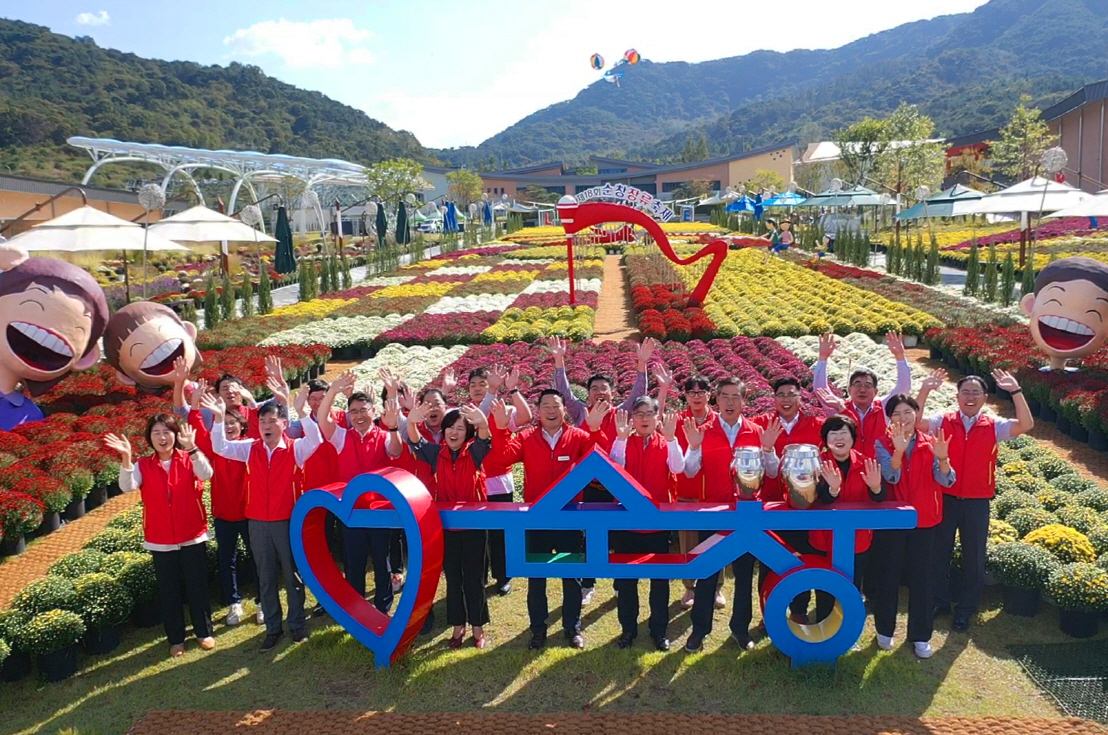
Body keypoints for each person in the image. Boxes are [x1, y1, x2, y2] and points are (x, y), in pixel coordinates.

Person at [204, 394, 324, 652]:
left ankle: (296, 624)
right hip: (257, 522)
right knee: (265, 577)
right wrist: (218, 419)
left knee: (292, 575)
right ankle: (273, 628)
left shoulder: (295, 448)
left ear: (284, 423)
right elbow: (220, 447)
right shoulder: (250, 448)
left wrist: (303, 412)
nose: (266, 426)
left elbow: (316, 439)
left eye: (272, 421)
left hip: (287, 521)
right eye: (262, 422)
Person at [488, 390, 606, 650]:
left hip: (569, 519)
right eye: (546, 406)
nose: (551, 411)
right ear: (538, 411)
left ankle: (572, 628)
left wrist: (595, 430)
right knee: (536, 578)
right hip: (537, 520)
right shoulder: (526, 437)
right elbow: (501, 459)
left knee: (572, 577)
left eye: (556, 406)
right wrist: (500, 429)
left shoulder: (578, 436)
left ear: (564, 409)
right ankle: (538, 630)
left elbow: (600, 463)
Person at [918, 369, 1034, 632]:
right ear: (957, 396)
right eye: (965, 392)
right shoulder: (943, 420)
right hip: (945, 497)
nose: (970, 397)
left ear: (985, 398)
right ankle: (939, 602)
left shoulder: (993, 425)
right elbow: (915, 422)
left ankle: (965, 611)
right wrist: (924, 390)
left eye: (976, 392)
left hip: (977, 502)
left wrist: (1016, 391)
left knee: (974, 558)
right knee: (939, 554)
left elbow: (1025, 425)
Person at [549, 335, 655, 605]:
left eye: (604, 388)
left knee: (619, 534)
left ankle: (620, 583)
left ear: (612, 393)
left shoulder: (621, 412)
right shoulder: (580, 412)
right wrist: (559, 361)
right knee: (588, 537)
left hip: (617, 487)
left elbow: (637, 393)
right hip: (587, 487)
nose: (599, 392)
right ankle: (588, 584)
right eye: (594, 388)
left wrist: (642, 364)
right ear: (588, 393)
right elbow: (564, 392)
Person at [682, 377, 781, 653]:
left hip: (747, 517)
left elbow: (773, 472)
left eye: (735, 396)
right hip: (714, 514)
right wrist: (694, 446)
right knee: (707, 574)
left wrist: (769, 449)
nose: (729, 401)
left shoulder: (757, 431)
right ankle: (699, 630)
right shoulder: (703, 431)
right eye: (724, 396)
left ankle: (740, 629)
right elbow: (689, 471)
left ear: (744, 400)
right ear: (716, 399)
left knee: (744, 575)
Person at [104, 414, 215, 657]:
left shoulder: (188, 457)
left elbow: (206, 474)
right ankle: (176, 639)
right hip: (160, 539)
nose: (162, 438)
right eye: (156, 433)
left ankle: (204, 632)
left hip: (192, 533)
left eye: (166, 432)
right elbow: (128, 486)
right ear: (149, 438)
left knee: (197, 587)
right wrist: (126, 458)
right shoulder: (144, 465)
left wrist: (193, 449)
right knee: (169, 592)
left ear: (175, 435)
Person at [172, 364, 260, 627]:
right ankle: (233, 602)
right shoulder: (214, 448)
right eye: (226, 423)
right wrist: (195, 404)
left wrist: (251, 402)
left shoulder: (249, 447)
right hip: (223, 514)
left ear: (242, 427)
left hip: (250, 511)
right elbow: (197, 427)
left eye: (235, 423)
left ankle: (261, 602)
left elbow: (260, 425)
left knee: (257, 557)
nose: (230, 427)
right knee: (226, 560)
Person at [873, 394, 954, 659]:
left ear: (916, 415)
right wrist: (898, 450)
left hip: (925, 519)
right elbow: (890, 476)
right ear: (889, 418)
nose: (903, 418)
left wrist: (943, 458)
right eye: (897, 413)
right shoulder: (882, 443)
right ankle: (884, 630)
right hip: (893, 520)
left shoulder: (931, 443)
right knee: (888, 576)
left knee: (923, 579)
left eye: (908, 412)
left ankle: (920, 635)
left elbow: (947, 480)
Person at [315, 373, 404, 612]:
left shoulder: (384, 436)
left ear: (373, 412)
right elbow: (322, 418)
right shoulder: (342, 437)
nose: (359, 416)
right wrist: (332, 391)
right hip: (351, 512)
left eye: (363, 410)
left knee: (382, 561)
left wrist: (393, 427)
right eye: (353, 411)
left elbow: (396, 451)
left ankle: (383, 607)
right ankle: (356, 611)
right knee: (354, 563)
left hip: (379, 512)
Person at [407, 402, 492, 649]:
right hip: (447, 529)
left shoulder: (474, 452)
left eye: (460, 428)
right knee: (453, 579)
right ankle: (457, 627)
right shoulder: (436, 453)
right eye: (450, 427)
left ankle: (478, 628)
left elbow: (485, 438)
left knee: (474, 579)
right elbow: (415, 441)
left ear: (468, 434)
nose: (454, 432)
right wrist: (411, 421)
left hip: (474, 528)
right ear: (444, 430)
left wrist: (482, 422)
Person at [609, 399, 685, 651]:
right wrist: (620, 438)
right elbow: (614, 468)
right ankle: (628, 630)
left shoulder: (665, 443)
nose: (644, 419)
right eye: (639, 414)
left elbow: (678, 467)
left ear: (657, 417)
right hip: (627, 524)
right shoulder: (624, 442)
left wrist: (672, 439)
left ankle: (659, 631)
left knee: (660, 582)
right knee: (627, 583)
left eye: (649, 414)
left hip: (657, 525)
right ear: (632, 418)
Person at [0, 257, 109, 429]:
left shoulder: (29, 414)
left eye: (78, 330)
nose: (52, 331)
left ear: (85, 358)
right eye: (33, 305)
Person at [752, 376, 824, 623]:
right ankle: (768, 614)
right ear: (773, 398)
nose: (786, 399)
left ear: (800, 397)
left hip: (805, 508)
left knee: (802, 557)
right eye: (781, 394)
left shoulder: (816, 425)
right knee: (770, 560)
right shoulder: (761, 425)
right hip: (771, 506)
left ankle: (799, 610)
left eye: (791, 394)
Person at [804, 414, 884, 622]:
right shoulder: (817, 463)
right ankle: (823, 627)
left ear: (853, 437)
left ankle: (849, 629)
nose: (839, 438)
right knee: (825, 590)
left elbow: (879, 499)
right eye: (833, 433)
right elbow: (817, 500)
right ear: (825, 439)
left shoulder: (867, 463)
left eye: (844, 433)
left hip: (857, 540)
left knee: (851, 588)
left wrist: (876, 487)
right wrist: (833, 489)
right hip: (823, 539)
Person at [464, 365, 532, 597]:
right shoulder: (465, 412)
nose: (477, 388)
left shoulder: (502, 409)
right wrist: (492, 390)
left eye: (482, 384)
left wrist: (512, 389)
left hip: (500, 482)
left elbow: (526, 416)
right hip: (473, 482)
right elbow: (476, 422)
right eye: (473, 385)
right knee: (477, 534)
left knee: (500, 534)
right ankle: (480, 576)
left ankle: (503, 577)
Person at [813, 333, 911, 458]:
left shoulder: (883, 408)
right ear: (849, 389)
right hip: (848, 466)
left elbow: (903, 387)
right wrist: (822, 358)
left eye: (868, 385)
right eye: (857, 384)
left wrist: (900, 357)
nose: (862, 390)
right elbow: (821, 390)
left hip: (878, 465)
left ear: (876, 392)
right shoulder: (838, 407)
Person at [673, 376, 719, 609]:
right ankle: (690, 587)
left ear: (709, 394)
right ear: (686, 396)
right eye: (692, 392)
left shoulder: (719, 421)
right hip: (686, 490)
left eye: (701, 392)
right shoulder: (678, 421)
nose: (697, 397)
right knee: (689, 542)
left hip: (714, 491)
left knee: (715, 541)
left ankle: (717, 587)